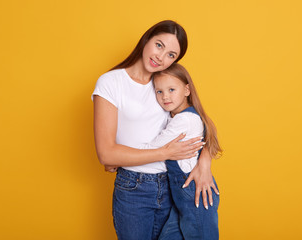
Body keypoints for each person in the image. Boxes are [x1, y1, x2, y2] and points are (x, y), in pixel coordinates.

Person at [92, 20, 217, 240]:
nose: (161, 57)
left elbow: (198, 124)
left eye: (171, 55)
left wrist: (204, 162)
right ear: (146, 39)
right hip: (134, 189)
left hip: (173, 186)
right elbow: (106, 154)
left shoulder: (165, 84)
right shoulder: (111, 83)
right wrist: (165, 153)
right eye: (159, 45)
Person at [139, 63, 222, 239]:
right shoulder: (178, 117)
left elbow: (151, 149)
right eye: (159, 91)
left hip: (196, 197)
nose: (165, 97)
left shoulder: (183, 121)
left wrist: (116, 157)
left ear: (186, 90)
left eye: (171, 89)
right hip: (182, 200)